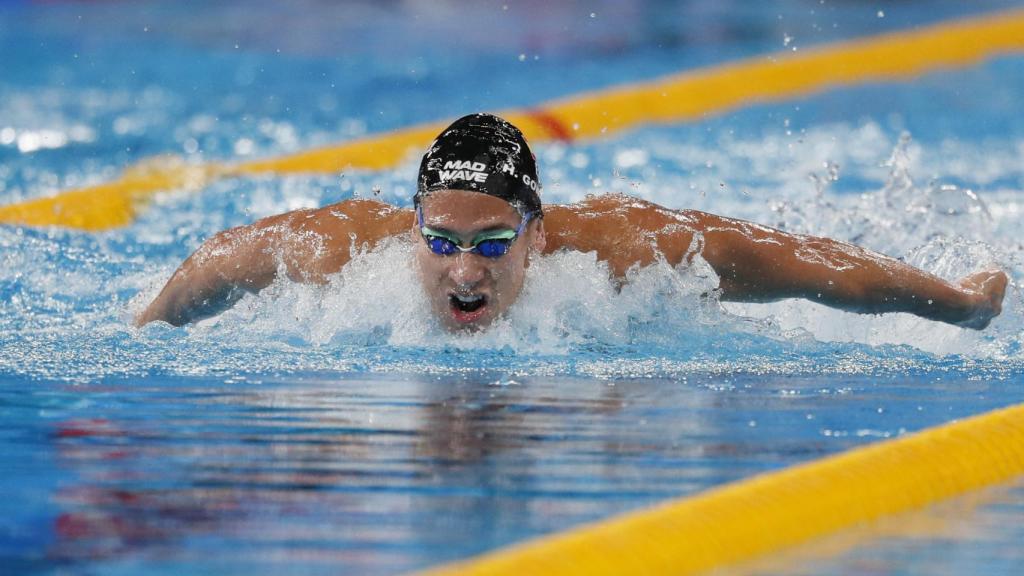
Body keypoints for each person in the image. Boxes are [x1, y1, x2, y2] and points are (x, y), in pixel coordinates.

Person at [135, 113, 1008, 331]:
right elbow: (216, 262)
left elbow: (812, 265)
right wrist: (143, 327)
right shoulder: (335, 252)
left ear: (538, 233)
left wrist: (959, 303)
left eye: (492, 244)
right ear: (413, 227)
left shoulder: (631, 252)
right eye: (440, 243)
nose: (464, 272)